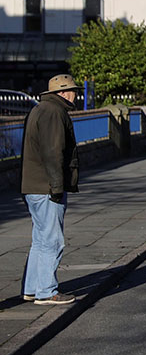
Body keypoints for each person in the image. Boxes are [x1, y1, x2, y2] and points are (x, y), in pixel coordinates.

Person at [21, 74, 81, 305]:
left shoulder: (41, 109)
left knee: (40, 239)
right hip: (46, 186)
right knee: (52, 240)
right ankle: (47, 291)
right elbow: (53, 152)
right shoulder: (54, 113)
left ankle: (32, 288)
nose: (76, 94)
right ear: (63, 93)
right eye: (73, 90)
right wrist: (57, 186)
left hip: (33, 185)